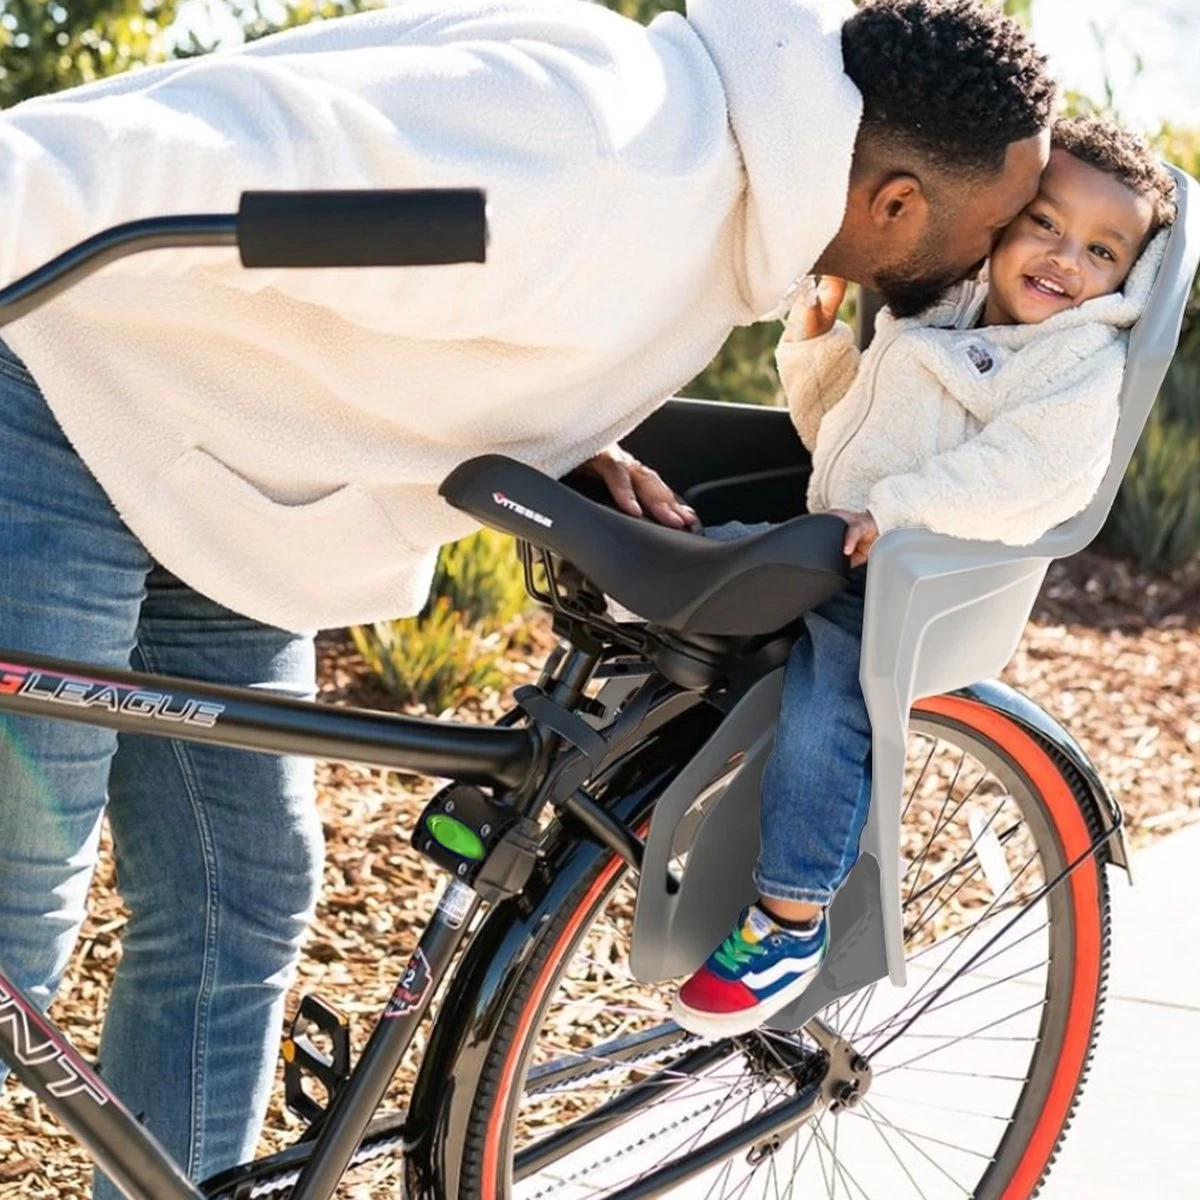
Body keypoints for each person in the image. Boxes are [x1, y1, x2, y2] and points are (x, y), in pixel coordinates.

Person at [0, 0, 1055, 1191]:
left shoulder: (719, 182)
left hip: (223, 478)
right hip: (57, 400)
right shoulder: (595, 148)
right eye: (989, 231)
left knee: (235, 894)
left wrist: (562, 431)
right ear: (897, 202)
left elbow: (444, 284)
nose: (992, 267)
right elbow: (231, 164)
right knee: (13, 903)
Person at [672, 115, 1178, 1037]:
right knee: (692, 555)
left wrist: (895, 512)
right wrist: (816, 341)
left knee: (833, 695)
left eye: (1101, 251)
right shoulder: (951, 309)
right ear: (1002, 220)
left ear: (1129, 281)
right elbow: (845, 430)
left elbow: (1027, 478)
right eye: (1046, 225)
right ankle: (614, 762)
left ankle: (790, 918)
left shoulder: (1074, 362)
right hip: (841, 534)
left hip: (914, 583)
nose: (1065, 259)